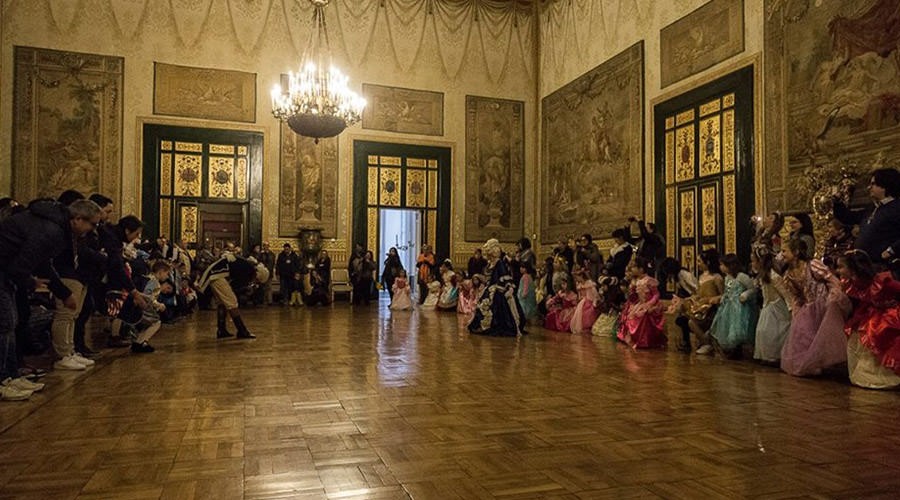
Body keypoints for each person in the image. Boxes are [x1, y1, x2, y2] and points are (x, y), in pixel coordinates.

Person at [0, 198, 101, 399]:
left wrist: (64, 293)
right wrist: (32, 282)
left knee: (10, 324)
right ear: (78, 219)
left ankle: (10, 375)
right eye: (92, 224)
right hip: (3, 273)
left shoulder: (55, 227)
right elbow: (24, 264)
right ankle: (3, 381)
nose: (92, 229)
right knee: (5, 325)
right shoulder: (51, 230)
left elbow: (43, 262)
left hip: (7, 275)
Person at [779, 238, 851, 377]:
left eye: (784, 251)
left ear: (796, 252)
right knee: (804, 335)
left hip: (824, 303)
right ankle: (810, 366)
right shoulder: (788, 274)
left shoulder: (812, 266)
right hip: (808, 307)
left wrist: (835, 295)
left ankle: (825, 365)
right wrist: (796, 310)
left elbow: (831, 279)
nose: (782, 254)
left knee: (824, 335)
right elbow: (796, 295)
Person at [837, 250, 900, 389]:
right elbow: (866, 301)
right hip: (874, 311)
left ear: (853, 268)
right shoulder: (852, 283)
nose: (838, 270)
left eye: (841, 267)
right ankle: (867, 374)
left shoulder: (881, 282)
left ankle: (887, 376)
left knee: (878, 331)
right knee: (858, 331)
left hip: (891, 312)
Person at [833, 167, 900, 268]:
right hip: (865, 264)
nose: (869, 187)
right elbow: (848, 218)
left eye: (873, 184)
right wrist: (837, 202)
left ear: (884, 186)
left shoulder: (897, 207)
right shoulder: (873, 208)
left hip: (884, 266)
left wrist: (892, 250)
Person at [196, 254, 269, 339]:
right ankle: (242, 331)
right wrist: (247, 289)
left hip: (216, 274)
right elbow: (235, 286)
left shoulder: (248, 266)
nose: (255, 282)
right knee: (232, 303)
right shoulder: (249, 270)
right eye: (257, 281)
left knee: (222, 302)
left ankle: (221, 330)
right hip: (218, 275)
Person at [468, 239, 525, 337]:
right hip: (490, 288)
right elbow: (487, 278)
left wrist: (509, 288)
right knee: (482, 305)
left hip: (499, 290)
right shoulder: (489, 264)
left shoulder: (500, 263)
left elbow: (505, 277)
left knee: (493, 305)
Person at [708, 254, 757, 357]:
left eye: (722, 264)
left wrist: (745, 295)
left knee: (737, 328)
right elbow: (727, 292)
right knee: (728, 327)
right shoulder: (727, 278)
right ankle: (732, 349)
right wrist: (722, 299)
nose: (720, 267)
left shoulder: (742, 277)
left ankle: (738, 348)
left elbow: (752, 289)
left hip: (739, 307)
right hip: (728, 307)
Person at [751, 247, 791, 364]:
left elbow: (785, 293)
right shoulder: (763, 276)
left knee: (773, 331)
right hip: (768, 306)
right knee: (763, 331)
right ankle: (767, 356)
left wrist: (790, 308)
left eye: (754, 261)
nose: (752, 264)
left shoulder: (774, 276)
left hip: (776, 306)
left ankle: (775, 356)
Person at [617, 257, 666, 349]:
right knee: (632, 316)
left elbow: (656, 294)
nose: (632, 269)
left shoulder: (649, 280)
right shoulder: (636, 281)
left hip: (650, 304)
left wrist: (650, 304)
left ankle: (645, 341)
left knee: (642, 316)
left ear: (641, 269)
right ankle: (637, 340)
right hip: (641, 303)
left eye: (635, 267)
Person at [570, 269, 600, 335]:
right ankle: (584, 328)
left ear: (581, 276)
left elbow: (595, 295)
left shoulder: (589, 284)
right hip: (585, 301)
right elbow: (581, 296)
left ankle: (588, 328)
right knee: (581, 313)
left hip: (591, 301)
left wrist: (594, 303)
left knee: (588, 313)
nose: (576, 279)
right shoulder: (580, 285)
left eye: (577, 277)